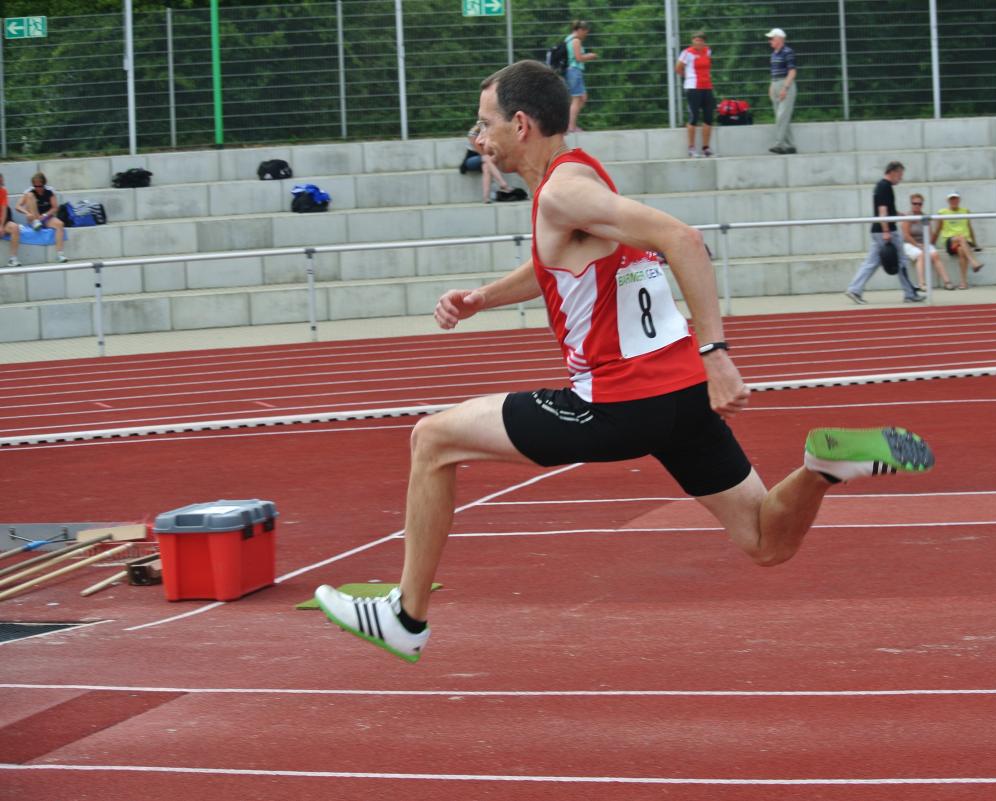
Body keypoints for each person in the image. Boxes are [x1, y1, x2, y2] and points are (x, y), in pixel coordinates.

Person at [313, 60, 935, 663]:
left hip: (617, 403)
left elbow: (683, 239)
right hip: (677, 399)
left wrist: (716, 351)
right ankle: (822, 465)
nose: (480, 139)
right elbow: (557, 259)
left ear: (521, 125)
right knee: (767, 541)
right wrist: (483, 298)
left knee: (432, 439)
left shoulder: (562, 191)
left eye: (485, 124)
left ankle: (405, 618)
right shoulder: (578, 182)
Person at [845, 161, 923, 304]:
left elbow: (887, 209)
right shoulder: (884, 187)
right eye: (900, 174)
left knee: (872, 262)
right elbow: (882, 211)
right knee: (901, 260)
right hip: (886, 231)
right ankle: (910, 293)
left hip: (878, 231)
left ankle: (854, 289)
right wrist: (886, 231)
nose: (901, 178)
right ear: (893, 172)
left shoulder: (882, 186)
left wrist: (900, 215)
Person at [460, 123, 525, 203]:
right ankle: (503, 184)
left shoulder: (492, 134)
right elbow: (482, 153)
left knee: (486, 167)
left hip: (486, 161)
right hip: (471, 161)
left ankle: (486, 197)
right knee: (486, 158)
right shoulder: (472, 135)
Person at [931, 191, 983, 289]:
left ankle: (963, 283)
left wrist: (975, 243)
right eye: (952, 199)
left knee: (961, 250)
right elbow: (937, 229)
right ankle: (974, 262)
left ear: (959, 200)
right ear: (948, 201)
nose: (954, 201)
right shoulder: (942, 212)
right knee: (960, 237)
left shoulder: (965, 211)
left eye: (955, 198)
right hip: (950, 241)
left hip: (963, 242)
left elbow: (969, 227)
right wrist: (930, 244)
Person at [676, 31, 715, 158]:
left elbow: (709, 65)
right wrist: (687, 77)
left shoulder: (708, 51)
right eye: (696, 40)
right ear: (693, 40)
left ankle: (706, 147)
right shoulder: (687, 52)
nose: (698, 42)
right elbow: (678, 68)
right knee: (694, 117)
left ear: (704, 42)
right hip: (693, 87)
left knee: (708, 117)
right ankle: (691, 148)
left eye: (701, 40)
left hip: (707, 87)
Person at [901, 193, 951, 291]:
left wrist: (936, 232)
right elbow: (906, 236)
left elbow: (930, 235)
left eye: (919, 204)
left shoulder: (925, 217)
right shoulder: (908, 216)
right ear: (911, 204)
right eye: (914, 203)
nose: (917, 206)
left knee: (935, 254)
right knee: (921, 255)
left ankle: (947, 282)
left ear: (922, 205)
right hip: (909, 244)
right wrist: (917, 245)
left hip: (923, 243)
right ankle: (922, 283)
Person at [15, 172, 67, 264]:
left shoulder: (49, 191)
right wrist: (27, 213)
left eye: (40, 186)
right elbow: (18, 206)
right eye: (36, 186)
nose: (38, 188)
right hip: (33, 217)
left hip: (45, 218)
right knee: (30, 196)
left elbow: (55, 207)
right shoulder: (29, 192)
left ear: (44, 184)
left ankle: (60, 254)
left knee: (60, 224)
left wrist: (45, 215)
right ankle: (36, 222)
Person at [765, 28, 796, 154]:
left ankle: (779, 144)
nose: (770, 41)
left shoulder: (788, 52)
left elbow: (792, 71)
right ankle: (790, 146)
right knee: (783, 117)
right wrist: (771, 86)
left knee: (781, 116)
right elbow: (773, 73)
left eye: (772, 38)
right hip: (776, 84)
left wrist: (785, 88)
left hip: (785, 84)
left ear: (779, 39)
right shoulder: (773, 54)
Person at [565, 20, 598, 134]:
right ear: (579, 30)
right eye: (585, 32)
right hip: (574, 71)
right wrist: (590, 56)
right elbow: (578, 58)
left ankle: (571, 123)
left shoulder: (568, 39)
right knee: (576, 99)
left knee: (582, 98)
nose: (585, 35)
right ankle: (571, 127)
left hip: (573, 71)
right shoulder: (575, 41)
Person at [0, 173, 21, 267]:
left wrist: (1, 226)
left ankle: (13, 259)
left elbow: (4, 209)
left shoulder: (3, 191)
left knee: (15, 228)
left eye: (1, 183)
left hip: (4, 220)